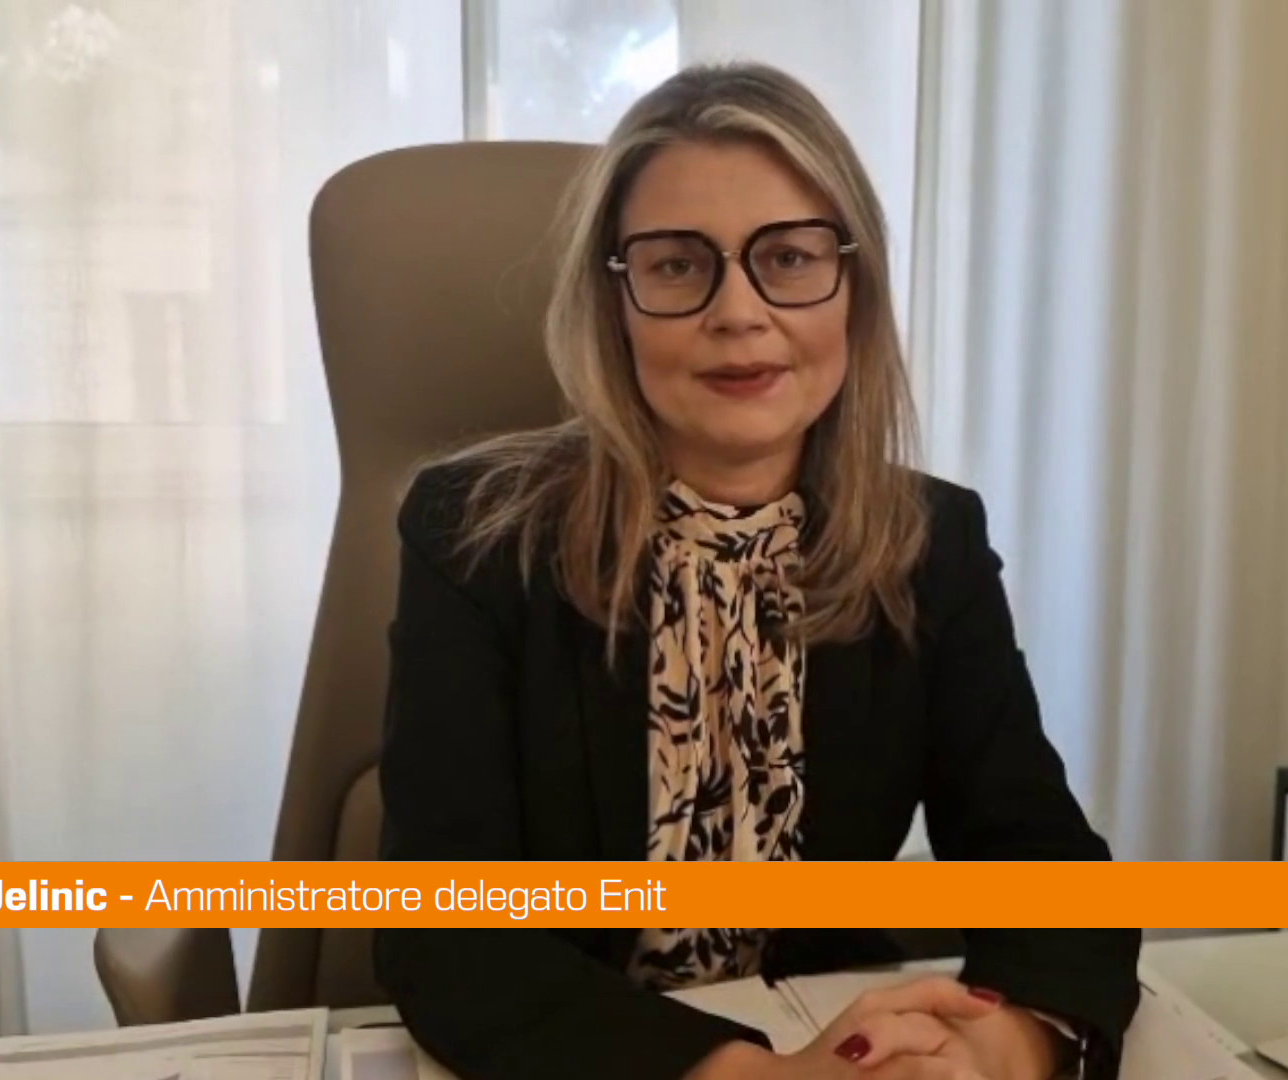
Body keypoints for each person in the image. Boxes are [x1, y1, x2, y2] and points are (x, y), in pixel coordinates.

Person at [373, 62, 1140, 1080]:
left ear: (854, 290)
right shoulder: (474, 533)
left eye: (788, 257)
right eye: (677, 265)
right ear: (613, 302)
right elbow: (446, 932)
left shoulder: (929, 541)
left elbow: (1045, 866)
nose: (739, 312)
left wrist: (1004, 1048)